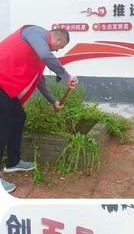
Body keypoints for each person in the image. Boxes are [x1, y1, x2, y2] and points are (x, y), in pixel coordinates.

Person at [0, 25, 78, 194]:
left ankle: (13, 162)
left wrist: (54, 101)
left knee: (18, 117)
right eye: (60, 47)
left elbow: (39, 81)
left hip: (5, 87)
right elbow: (46, 55)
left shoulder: (37, 53)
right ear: (58, 39)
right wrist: (65, 76)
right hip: (1, 83)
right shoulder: (35, 32)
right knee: (4, 125)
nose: (57, 51)